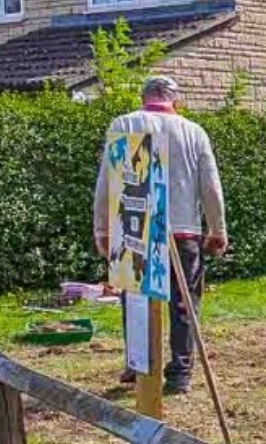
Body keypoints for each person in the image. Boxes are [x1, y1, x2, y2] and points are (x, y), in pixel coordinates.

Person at [93, 76, 227, 395]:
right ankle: (180, 373)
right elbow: (210, 186)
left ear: (144, 98)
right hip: (183, 230)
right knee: (184, 303)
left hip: (134, 227)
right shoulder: (193, 131)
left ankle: (139, 363)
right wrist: (217, 229)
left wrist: (102, 229)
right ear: (175, 101)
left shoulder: (124, 124)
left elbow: (106, 180)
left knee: (135, 297)